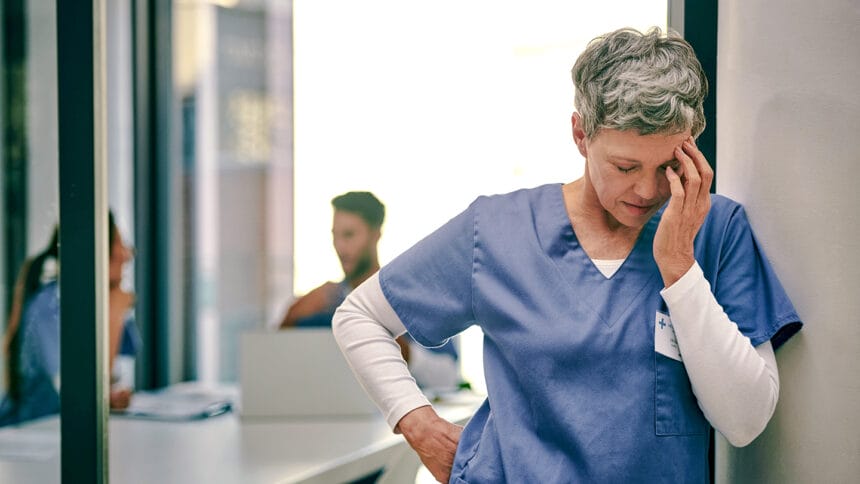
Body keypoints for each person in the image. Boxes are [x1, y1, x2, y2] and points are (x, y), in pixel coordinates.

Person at [332, 27, 803, 483]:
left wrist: (680, 268)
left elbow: (745, 422)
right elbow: (359, 317)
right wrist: (418, 425)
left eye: (668, 167)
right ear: (581, 136)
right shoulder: (498, 231)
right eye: (624, 166)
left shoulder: (718, 231)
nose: (646, 190)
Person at [280, 191, 460, 391]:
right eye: (335, 236)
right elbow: (280, 367)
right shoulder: (322, 304)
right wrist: (291, 316)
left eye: (349, 235)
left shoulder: (414, 298)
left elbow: (448, 377)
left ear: (376, 234)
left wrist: (397, 348)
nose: (340, 247)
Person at [0, 212, 140, 426]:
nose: (127, 254)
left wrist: (108, 398)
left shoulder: (96, 302)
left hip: (56, 428)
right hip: (30, 430)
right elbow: (73, 394)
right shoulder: (50, 305)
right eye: (118, 244)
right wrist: (115, 313)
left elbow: (109, 373)